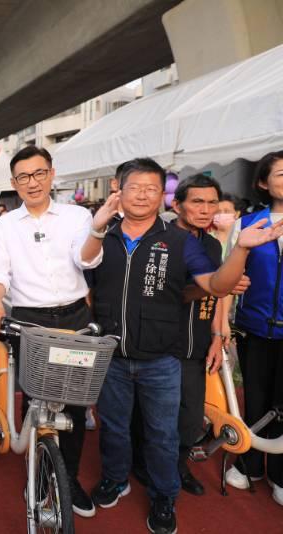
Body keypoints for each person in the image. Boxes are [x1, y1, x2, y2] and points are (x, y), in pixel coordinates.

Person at [86, 157, 281, 533]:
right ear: (119, 190)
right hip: (111, 355)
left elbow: (216, 286)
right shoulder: (102, 235)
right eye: (134, 187)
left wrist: (240, 248)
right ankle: (114, 478)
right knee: (113, 426)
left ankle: (163, 497)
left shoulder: (178, 241)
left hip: (162, 359)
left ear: (163, 196)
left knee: (163, 432)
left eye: (152, 189)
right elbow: (86, 285)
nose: (142, 195)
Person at [0, 145, 115, 519]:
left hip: (74, 317)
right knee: (37, 397)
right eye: (24, 177)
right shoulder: (6, 225)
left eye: (39, 173)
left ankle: (67, 476)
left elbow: (85, 259)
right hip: (30, 321)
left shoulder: (76, 215)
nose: (32, 182)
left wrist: (99, 229)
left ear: (52, 174)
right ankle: (38, 473)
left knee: (72, 402)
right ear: (14, 183)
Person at [133, 174, 226, 497]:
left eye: (212, 202)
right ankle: (143, 465)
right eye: (197, 202)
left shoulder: (212, 245)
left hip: (197, 344)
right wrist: (204, 287)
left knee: (188, 417)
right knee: (150, 416)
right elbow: (153, 294)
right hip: (160, 345)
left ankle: (178, 465)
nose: (205, 209)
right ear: (177, 204)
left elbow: (219, 295)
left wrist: (217, 336)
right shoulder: (160, 240)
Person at [224, 150, 283, 506]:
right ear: (263, 182)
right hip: (255, 328)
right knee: (256, 397)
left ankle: (279, 473)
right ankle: (249, 465)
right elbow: (229, 273)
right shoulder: (247, 224)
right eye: (280, 174)